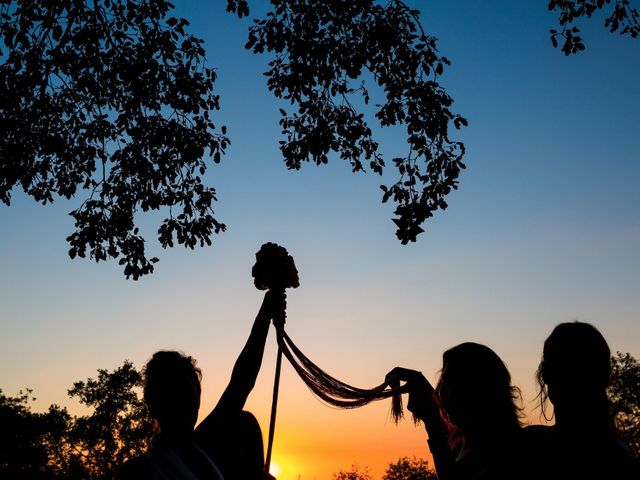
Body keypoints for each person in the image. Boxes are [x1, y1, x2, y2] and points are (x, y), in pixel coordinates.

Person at [116, 290, 284, 480]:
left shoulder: (207, 444)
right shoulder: (136, 472)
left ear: (198, 399)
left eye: (189, 395)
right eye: (171, 395)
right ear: (153, 403)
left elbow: (241, 383)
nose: (182, 405)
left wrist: (266, 312)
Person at [386, 342, 523, 480]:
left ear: (485, 389)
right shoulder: (459, 448)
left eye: (459, 382)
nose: (446, 392)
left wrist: (432, 422)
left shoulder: (521, 450)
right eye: (445, 382)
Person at [531, 321, 640, 479]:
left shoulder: (530, 449)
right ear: (605, 376)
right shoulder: (622, 460)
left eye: (577, 369)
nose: (573, 379)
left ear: (545, 374)